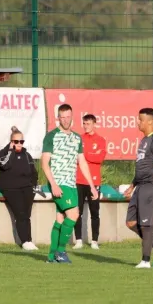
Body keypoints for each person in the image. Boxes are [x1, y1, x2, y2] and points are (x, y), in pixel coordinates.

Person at [41, 104, 98, 264]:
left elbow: (82, 162)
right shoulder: (51, 136)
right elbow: (45, 163)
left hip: (71, 184)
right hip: (59, 183)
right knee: (74, 214)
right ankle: (60, 251)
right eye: (62, 117)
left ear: (72, 117)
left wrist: (92, 185)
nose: (65, 120)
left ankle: (51, 257)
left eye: (68, 116)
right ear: (58, 118)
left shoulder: (76, 138)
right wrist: (53, 185)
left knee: (60, 218)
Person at [123, 108, 153, 269]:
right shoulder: (144, 140)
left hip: (151, 186)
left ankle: (145, 261)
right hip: (140, 186)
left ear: (150, 122)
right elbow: (141, 166)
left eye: (140, 120)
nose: (138, 122)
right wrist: (132, 186)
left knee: (146, 224)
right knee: (130, 222)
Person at [0, 126, 39, 251]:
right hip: (11, 188)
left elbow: (33, 172)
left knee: (26, 214)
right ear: (11, 142)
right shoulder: (4, 153)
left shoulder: (27, 155)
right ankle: (25, 241)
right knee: (20, 213)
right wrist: (10, 150)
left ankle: (28, 240)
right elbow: (5, 165)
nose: (19, 144)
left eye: (21, 141)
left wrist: (33, 186)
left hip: (27, 188)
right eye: (16, 142)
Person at [73, 114, 106, 250]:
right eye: (84, 124)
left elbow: (100, 158)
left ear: (94, 124)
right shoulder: (79, 139)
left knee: (94, 212)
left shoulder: (100, 140)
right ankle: (79, 240)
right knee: (77, 212)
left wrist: (85, 155)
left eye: (88, 123)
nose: (86, 126)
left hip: (94, 181)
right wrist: (91, 154)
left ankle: (94, 241)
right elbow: (75, 158)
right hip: (78, 180)